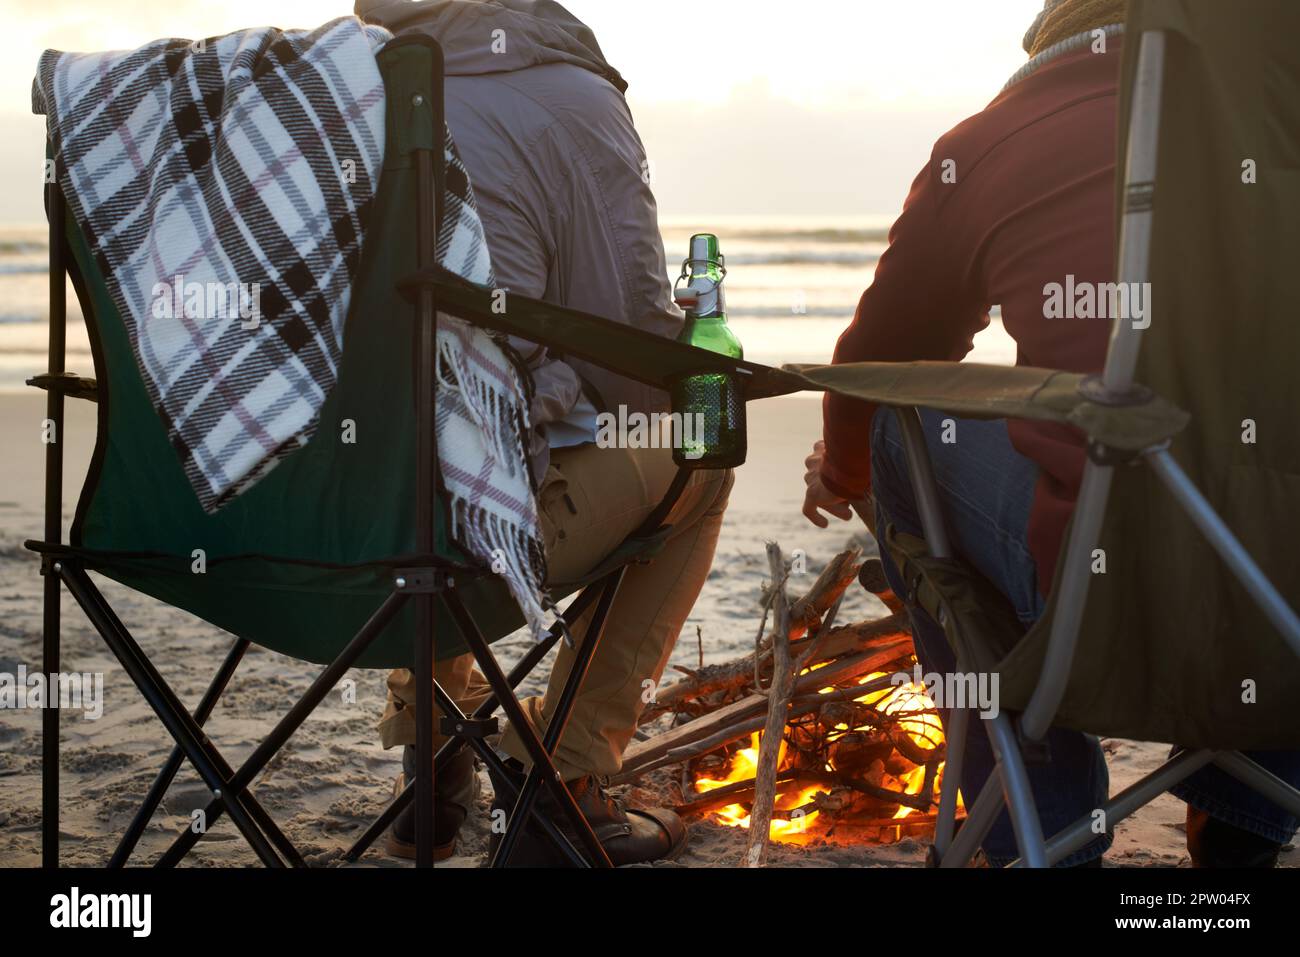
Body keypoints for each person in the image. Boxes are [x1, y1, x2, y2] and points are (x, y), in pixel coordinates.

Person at [801, 0, 1300, 867]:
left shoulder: (1000, 135)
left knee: (899, 425)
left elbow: (880, 360)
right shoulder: (1278, 110)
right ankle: (1243, 818)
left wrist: (843, 466)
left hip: (1107, 609)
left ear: (1052, 38)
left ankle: (1044, 825)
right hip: (1285, 616)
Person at [356, 0, 731, 865]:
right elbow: (632, 349)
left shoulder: (327, 95)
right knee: (705, 455)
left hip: (312, 537)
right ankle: (564, 783)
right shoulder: (568, 95)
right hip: (476, 544)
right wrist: (677, 347)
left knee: (425, 434)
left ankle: (433, 756)